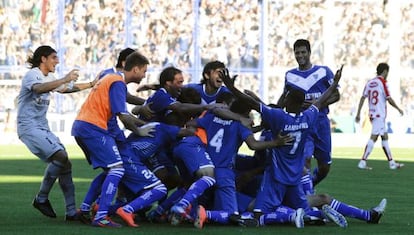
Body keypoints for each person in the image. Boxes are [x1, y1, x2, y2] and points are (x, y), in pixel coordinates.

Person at [221, 65, 348, 228]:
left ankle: (293, 216)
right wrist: (334, 83)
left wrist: (231, 87)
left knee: (258, 215)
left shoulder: (278, 117)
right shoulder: (308, 116)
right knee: (304, 210)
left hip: (276, 177)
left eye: (286, 97)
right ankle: (321, 215)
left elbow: (251, 103)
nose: (284, 98)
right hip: (295, 177)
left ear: (289, 101)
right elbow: (322, 100)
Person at [71, 51, 155, 228]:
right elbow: (123, 115)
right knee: (117, 169)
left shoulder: (110, 77)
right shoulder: (117, 81)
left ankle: (85, 209)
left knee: (109, 170)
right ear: (136, 68)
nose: (145, 75)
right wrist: (139, 130)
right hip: (93, 128)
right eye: (144, 71)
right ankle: (101, 216)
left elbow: (122, 107)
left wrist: (141, 117)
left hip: (84, 126)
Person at [16, 45, 96, 220]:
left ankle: (71, 212)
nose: (57, 61)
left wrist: (91, 84)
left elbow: (67, 88)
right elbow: (38, 88)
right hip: (28, 127)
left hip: (42, 126)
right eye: (54, 57)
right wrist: (64, 78)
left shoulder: (50, 77)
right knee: (60, 156)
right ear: (43, 59)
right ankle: (41, 198)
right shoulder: (33, 75)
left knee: (65, 163)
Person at [276, 39, 340, 187]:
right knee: (305, 160)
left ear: (310, 53)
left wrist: (316, 105)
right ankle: (306, 195)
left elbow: (336, 95)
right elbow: (284, 97)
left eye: (303, 52)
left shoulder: (323, 71)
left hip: (321, 121)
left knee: (324, 167)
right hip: (302, 123)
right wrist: (273, 112)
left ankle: (309, 187)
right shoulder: (290, 75)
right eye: (297, 52)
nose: (300, 55)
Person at [355, 63, 404, 170]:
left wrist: (358, 113)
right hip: (379, 114)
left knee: (384, 136)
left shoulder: (370, 82)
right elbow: (389, 98)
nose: (388, 75)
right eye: (387, 72)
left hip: (372, 114)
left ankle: (392, 163)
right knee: (374, 137)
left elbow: (363, 98)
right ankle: (362, 161)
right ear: (385, 71)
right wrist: (398, 108)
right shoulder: (382, 82)